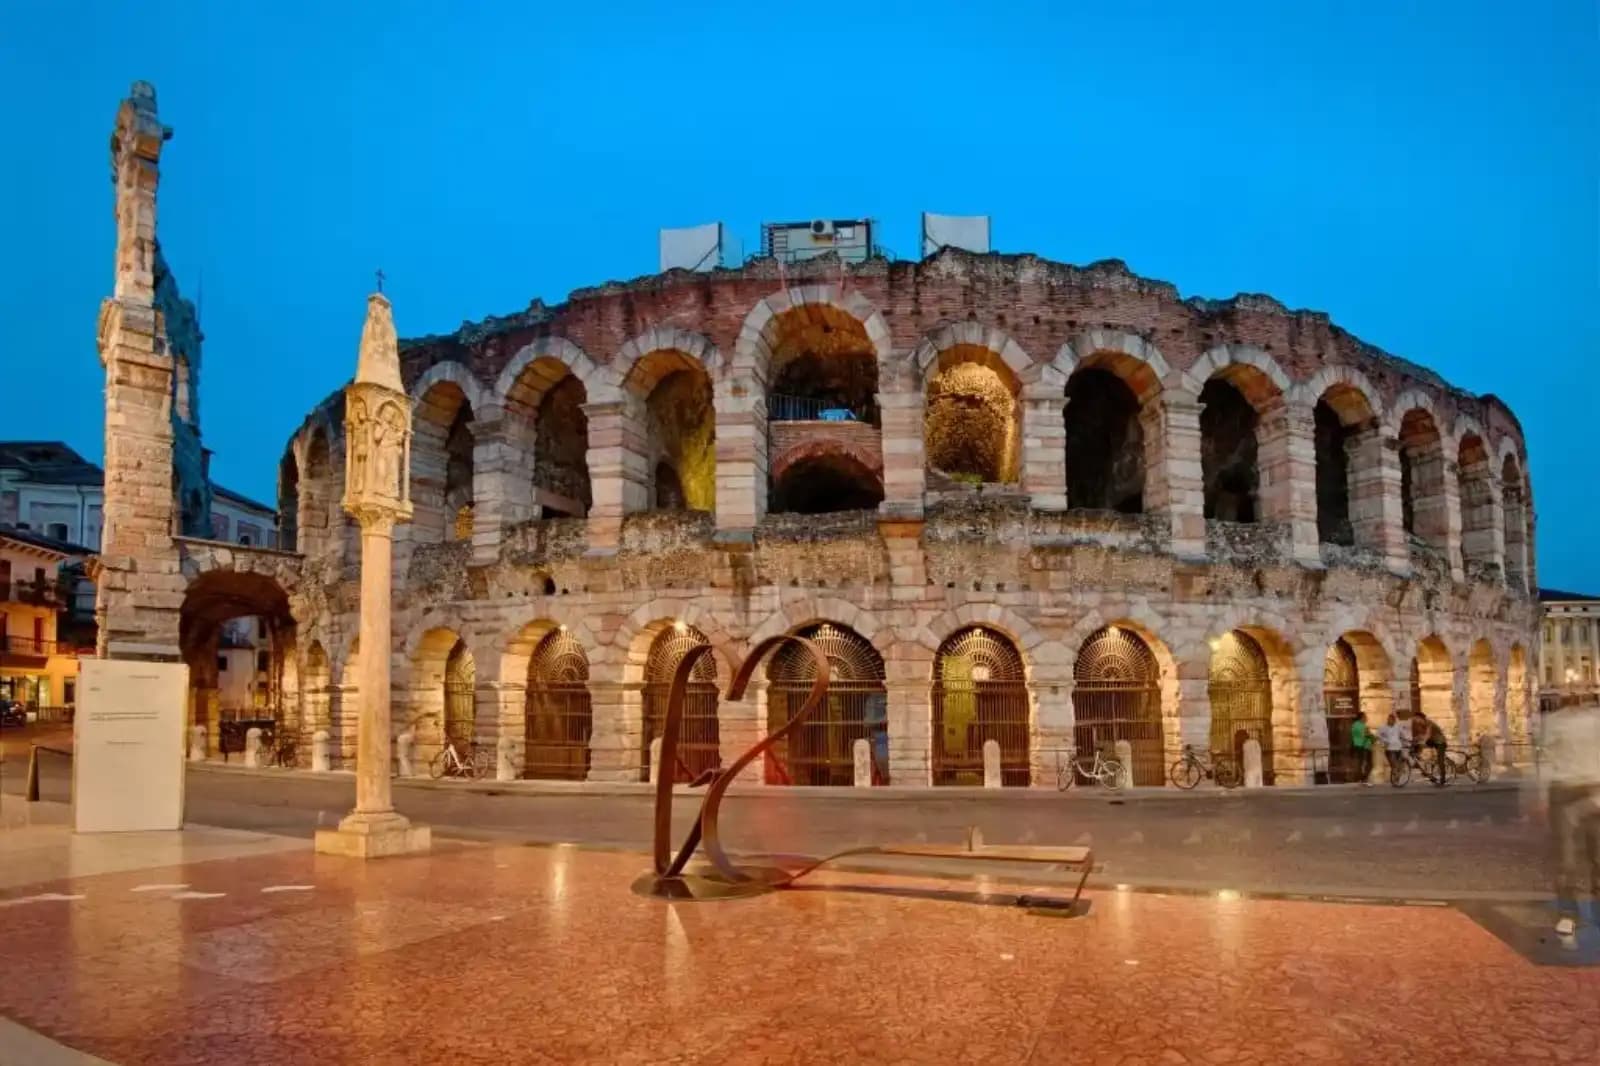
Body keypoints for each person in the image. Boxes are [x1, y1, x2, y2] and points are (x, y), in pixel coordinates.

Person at [1537, 702, 1600, 937]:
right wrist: (1544, 794)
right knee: (1566, 859)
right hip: (1562, 790)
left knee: (1598, 857)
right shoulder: (1554, 721)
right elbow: (1546, 758)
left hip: (1594, 786)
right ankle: (1567, 913)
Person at [1411, 711, 1449, 786]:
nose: (1415, 721)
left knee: (1440, 760)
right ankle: (1421, 762)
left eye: (1416, 719)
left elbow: (1427, 735)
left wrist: (1422, 741)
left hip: (1440, 742)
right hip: (1433, 741)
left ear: (1421, 718)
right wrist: (1414, 739)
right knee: (1417, 745)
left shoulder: (1429, 723)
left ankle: (1443, 779)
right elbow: (1421, 735)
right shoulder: (1421, 725)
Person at [1378, 713, 1406, 780]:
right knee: (1393, 763)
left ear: (1394, 720)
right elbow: (1378, 735)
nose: (1389, 721)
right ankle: (1395, 775)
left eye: (1391, 720)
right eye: (1388, 719)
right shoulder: (1383, 727)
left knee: (1400, 763)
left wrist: (1404, 741)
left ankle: (1397, 775)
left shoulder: (1398, 726)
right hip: (1389, 748)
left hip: (1398, 747)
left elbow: (1403, 735)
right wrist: (1384, 740)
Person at [1350, 711, 1374, 785]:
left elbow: (1353, 735)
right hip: (1365, 746)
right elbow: (1368, 735)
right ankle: (1364, 778)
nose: (1366, 718)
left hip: (1357, 745)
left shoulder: (1354, 725)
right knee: (1368, 763)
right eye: (1365, 716)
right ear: (1362, 717)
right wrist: (1374, 738)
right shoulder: (1363, 726)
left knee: (1360, 763)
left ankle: (1360, 778)